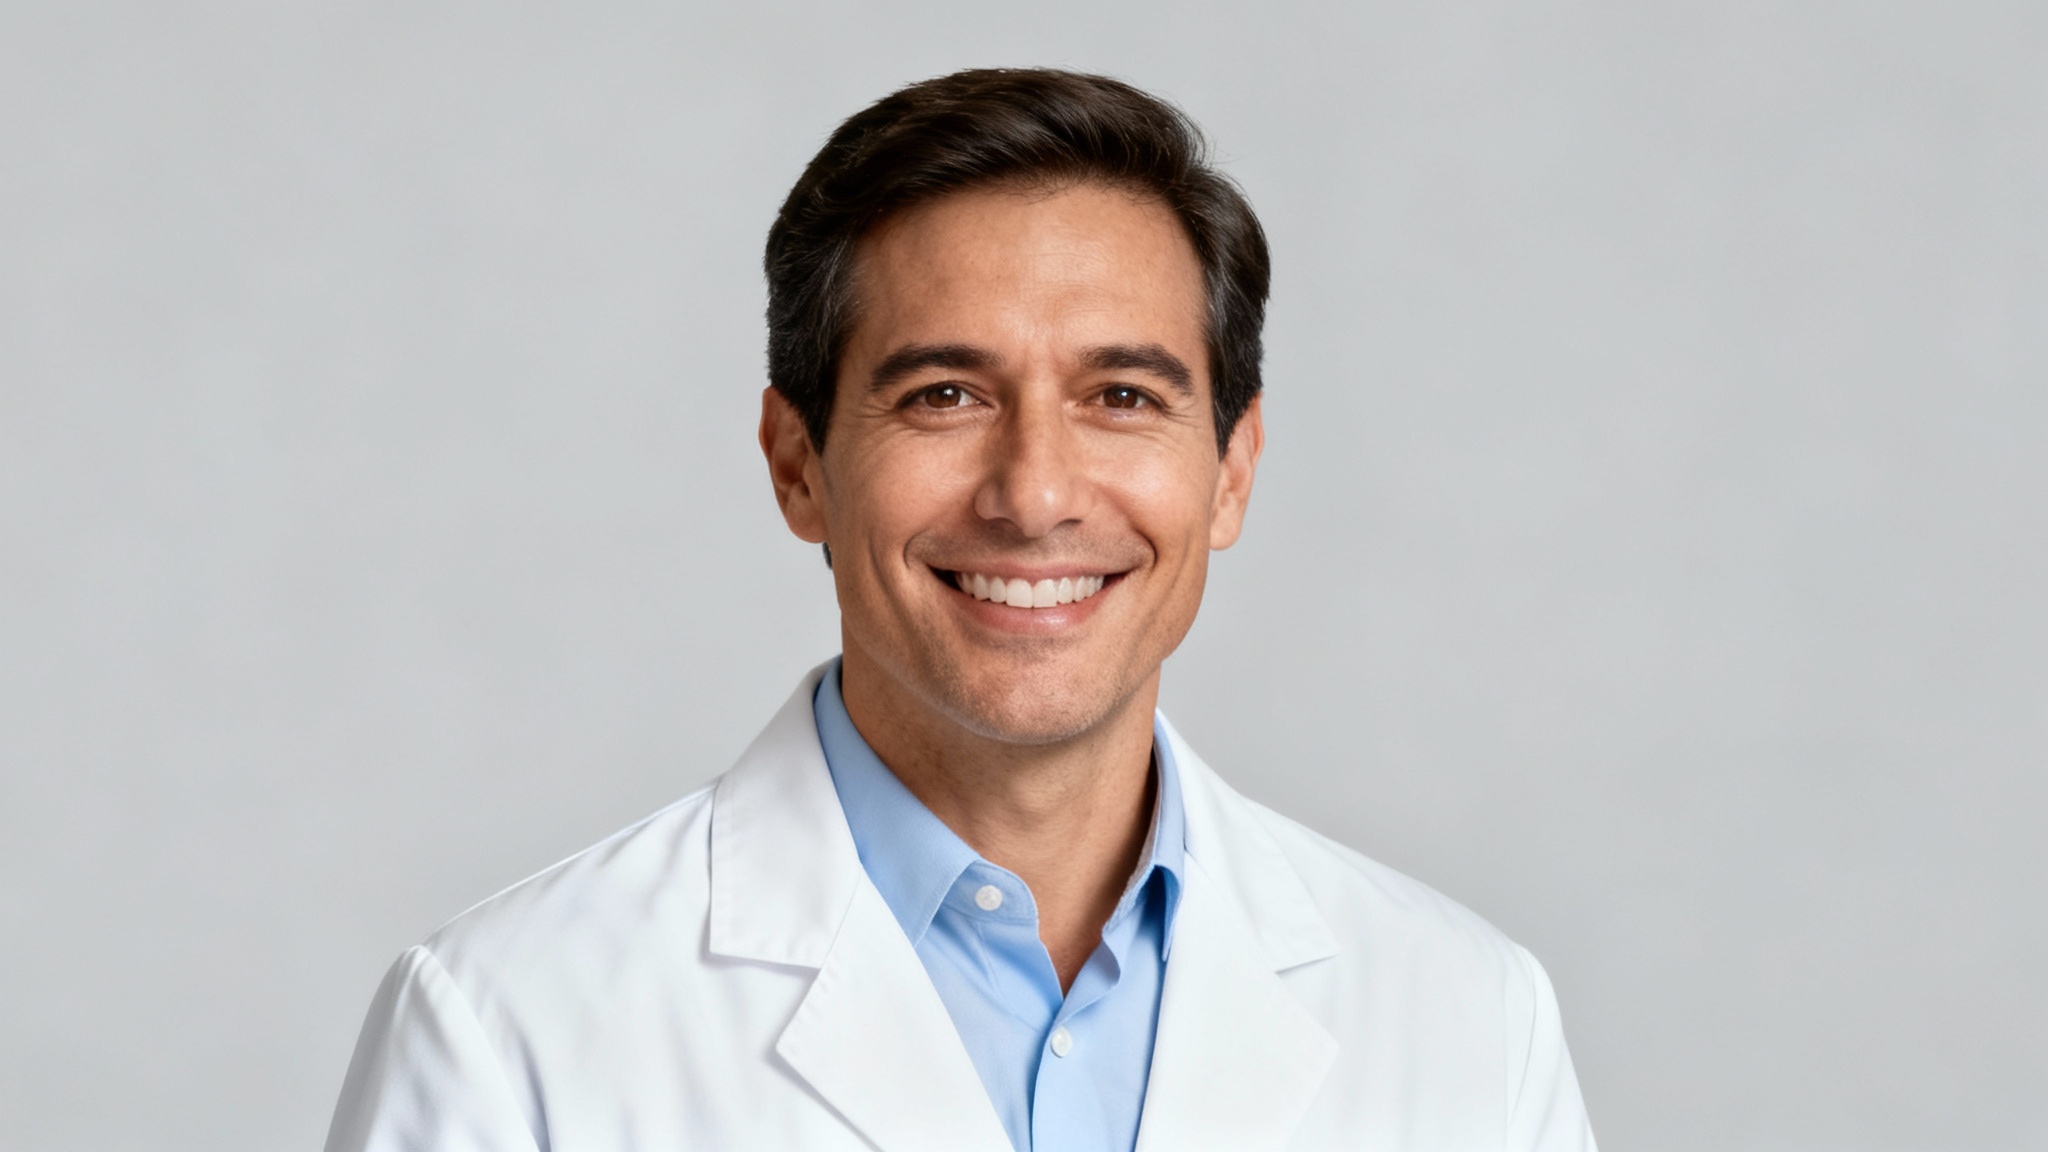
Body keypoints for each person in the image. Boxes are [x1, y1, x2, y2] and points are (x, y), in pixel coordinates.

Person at [326, 67, 1598, 1152]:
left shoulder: (1466, 1021)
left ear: (1231, 470)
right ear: (798, 463)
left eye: (1122, 397)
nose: (1035, 493)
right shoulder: (511, 1030)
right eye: (942, 394)